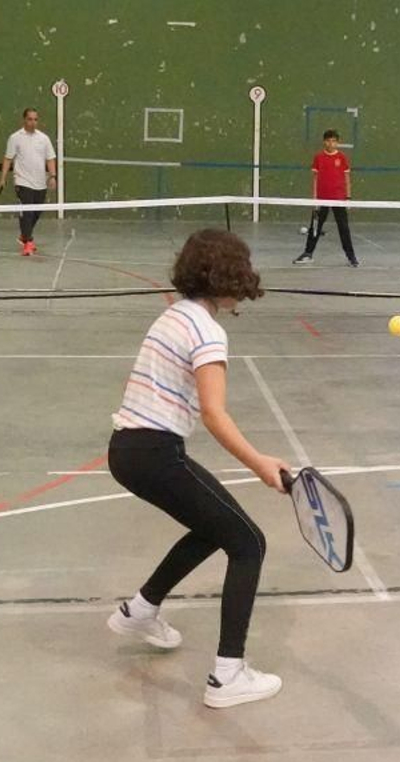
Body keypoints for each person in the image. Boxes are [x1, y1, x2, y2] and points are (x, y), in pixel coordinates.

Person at [105, 229, 292, 708]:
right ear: (230, 276)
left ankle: (141, 610)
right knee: (249, 542)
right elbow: (214, 413)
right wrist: (260, 464)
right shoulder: (208, 331)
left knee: (216, 528)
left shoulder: (174, 314)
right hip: (154, 453)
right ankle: (227, 676)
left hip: (129, 450)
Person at [293, 129, 359, 267]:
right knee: (315, 227)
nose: (331, 143)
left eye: (334, 141)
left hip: (339, 199)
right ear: (324, 142)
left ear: (338, 143)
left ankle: (351, 257)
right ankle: (308, 254)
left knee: (344, 228)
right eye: (328, 140)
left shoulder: (342, 158)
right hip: (321, 199)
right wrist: (315, 200)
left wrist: (348, 197)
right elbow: (315, 180)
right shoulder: (318, 158)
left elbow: (347, 178)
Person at [0, 108, 57, 256]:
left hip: (40, 182)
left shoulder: (44, 139)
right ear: (24, 120)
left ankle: (24, 235)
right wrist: (3, 178)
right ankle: (28, 242)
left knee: (36, 212)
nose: (33, 122)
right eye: (30, 119)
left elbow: (50, 158)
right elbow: (8, 159)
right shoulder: (15, 138)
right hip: (22, 181)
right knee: (27, 212)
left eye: (35, 119)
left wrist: (52, 176)